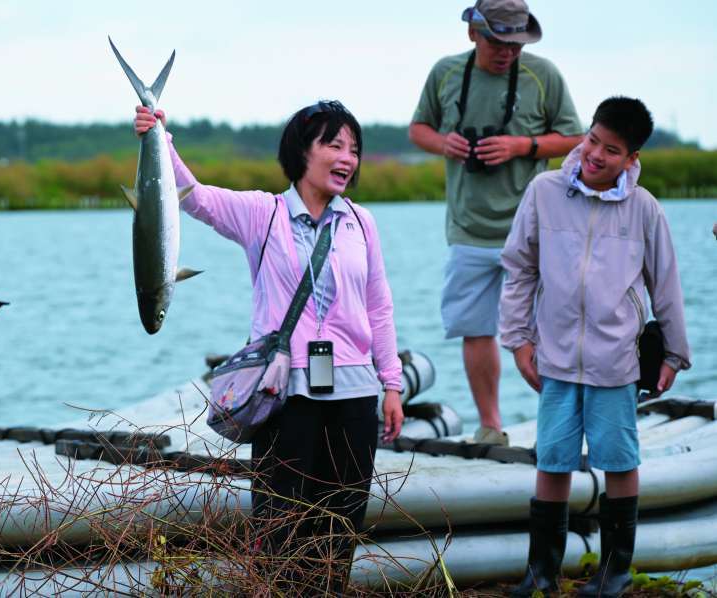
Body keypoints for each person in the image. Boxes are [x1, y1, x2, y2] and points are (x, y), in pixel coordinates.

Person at [135, 100, 404, 594]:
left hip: (355, 396)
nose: (348, 157)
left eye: (354, 148)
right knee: (279, 525)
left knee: (339, 525)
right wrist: (159, 137)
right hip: (285, 395)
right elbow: (192, 196)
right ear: (302, 151)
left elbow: (379, 307)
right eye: (334, 144)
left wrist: (392, 384)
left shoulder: (361, 223)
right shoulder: (264, 213)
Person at [500, 97, 691, 597]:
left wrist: (673, 353)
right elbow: (519, 267)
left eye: (612, 150)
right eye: (592, 140)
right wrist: (518, 340)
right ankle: (541, 572)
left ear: (631, 158)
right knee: (552, 460)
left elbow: (664, 283)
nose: (595, 154)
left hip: (618, 361)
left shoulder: (644, 207)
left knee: (620, 460)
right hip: (554, 358)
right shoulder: (544, 191)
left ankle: (616, 571)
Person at [408, 0, 584, 445]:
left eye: (515, 43)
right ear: (473, 34)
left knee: (550, 328)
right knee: (475, 328)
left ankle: (561, 423)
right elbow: (418, 129)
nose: (507, 51)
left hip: (532, 230)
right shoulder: (445, 72)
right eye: (497, 41)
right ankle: (490, 427)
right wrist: (443, 143)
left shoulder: (543, 75)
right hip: (467, 229)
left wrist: (520, 146)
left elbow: (576, 138)